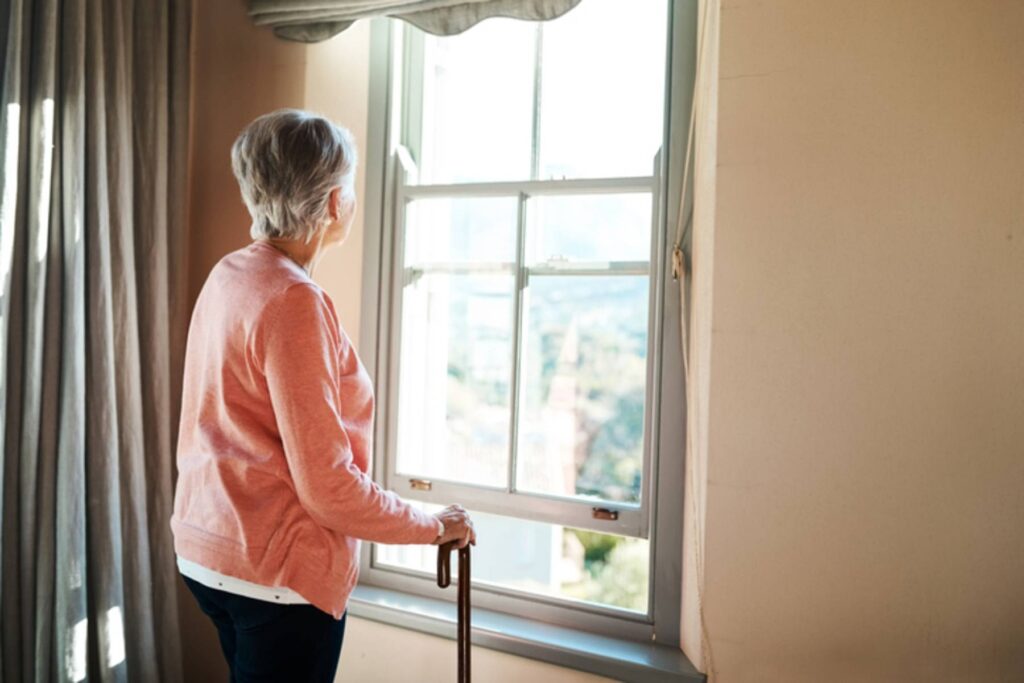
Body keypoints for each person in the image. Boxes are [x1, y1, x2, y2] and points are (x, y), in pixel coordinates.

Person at [170, 108, 476, 682]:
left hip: (207, 551)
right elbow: (329, 488)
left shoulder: (230, 273)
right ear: (335, 202)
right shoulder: (294, 302)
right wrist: (433, 526)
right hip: (276, 579)